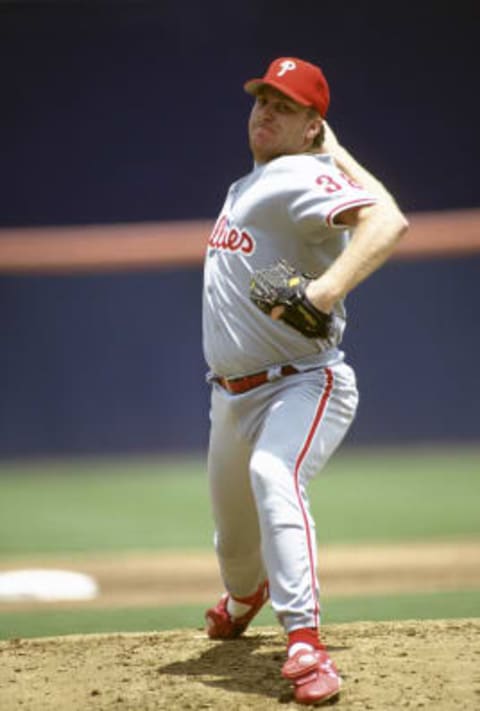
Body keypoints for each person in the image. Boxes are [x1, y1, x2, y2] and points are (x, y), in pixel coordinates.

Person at [202, 56, 408, 706]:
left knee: (274, 473)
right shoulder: (252, 183)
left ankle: (306, 643)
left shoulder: (297, 174)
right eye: (262, 100)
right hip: (231, 394)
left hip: (300, 383)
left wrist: (323, 291)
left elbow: (387, 223)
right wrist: (339, 152)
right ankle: (246, 595)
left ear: (310, 126)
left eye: (284, 107)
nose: (265, 112)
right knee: (235, 546)